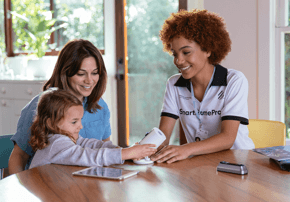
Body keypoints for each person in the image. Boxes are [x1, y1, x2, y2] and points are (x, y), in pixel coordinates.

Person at [150, 9, 255, 164]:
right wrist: (144, 148)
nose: (178, 61)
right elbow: (163, 136)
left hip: (237, 164)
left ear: (207, 49)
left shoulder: (234, 80)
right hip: (201, 165)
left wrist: (185, 149)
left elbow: (228, 138)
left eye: (186, 52)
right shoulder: (173, 84)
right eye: (174, 54)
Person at [9, 39, 113, 174]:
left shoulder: (100, 106)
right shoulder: (41, 106)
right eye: (81, 74)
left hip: (88, 184)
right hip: (48, 184)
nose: (89, 80)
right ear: (65, 72)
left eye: (94, 73)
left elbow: (105, 148)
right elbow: (19, 156)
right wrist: (21, 193)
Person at [29, 89, 156, 169]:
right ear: (51, 123)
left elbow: (90, 144)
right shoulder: (56, 143)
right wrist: (126, 154)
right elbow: (87, 156)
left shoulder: (67, 138)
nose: (80, 126)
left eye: (80, 120)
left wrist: (122, 151)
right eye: (74, 122)